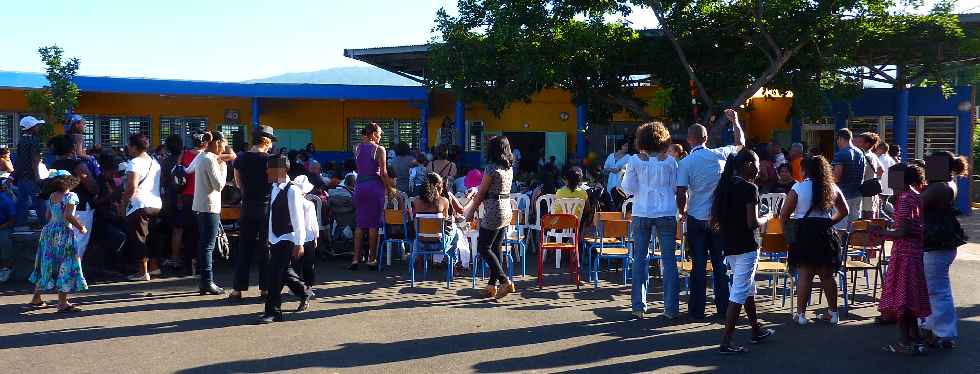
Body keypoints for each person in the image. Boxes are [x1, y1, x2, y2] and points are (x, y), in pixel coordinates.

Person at [676, 108, 744, 320]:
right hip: (717, 218)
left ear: (689, 140)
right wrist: (735, 122)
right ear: (706, 138)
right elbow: (741, 144)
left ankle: (697, 310)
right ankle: (723, 308)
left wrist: (682, 211)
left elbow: (681, 191)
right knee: (719, 265)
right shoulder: (719, 154)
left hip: (696, 217)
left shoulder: (685, 162)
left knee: (698, 265)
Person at [711, 149, 775, 354]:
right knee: (739, 291)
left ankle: (756, 329)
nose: (759, 169)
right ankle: (726, 341)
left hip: (730, 245)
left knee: (746, 288)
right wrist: (768, 217)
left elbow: (717, 220)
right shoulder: (750, 188)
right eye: (756, 164)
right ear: (748, 165)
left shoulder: (724, 186)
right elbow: (751, 222)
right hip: (747, 245)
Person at [778, 156, 848, 326]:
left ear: (804, 170)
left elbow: (784, 215)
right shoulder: (831, 187)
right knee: (827, 276)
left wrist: (788, 232)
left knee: (805, 275)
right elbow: (844, 211)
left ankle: (801, 315)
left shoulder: (798, 187)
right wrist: (828, 222)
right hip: (825, 232)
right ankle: (833, 313)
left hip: (804, 233)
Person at [621, 122, 679, 319]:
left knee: (640, 259)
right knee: (669, 260)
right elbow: (674, 188)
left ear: (642, 140)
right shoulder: (670, 162)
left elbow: (628, 189)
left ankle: (638, 306)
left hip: (642, 211)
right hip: (666, 212)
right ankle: (670, 309)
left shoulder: (634, 161)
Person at [874, 163, 930, 354]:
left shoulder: (905, 198)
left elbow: (903, 231)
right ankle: (916, 338)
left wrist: (881, 232)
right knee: (911, 296)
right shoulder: (915, 195)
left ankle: (904, 343)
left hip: (904, 254)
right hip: (914, 253)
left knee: (902, 299)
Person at [919, 152, 969, 349]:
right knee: (936, 289)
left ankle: (944, 334)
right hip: (942, 242)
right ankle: (934, 330)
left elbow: (916, 204)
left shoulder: (939, 187)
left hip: (937, 243)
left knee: (937, 291)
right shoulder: (947, 183)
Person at [259, 155, 312, 323]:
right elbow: (272, 215)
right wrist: (269, 237)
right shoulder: (274, 187)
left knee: (274, 274)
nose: (266, 171)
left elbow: (298, 219)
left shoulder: (292, 190)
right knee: (285, 272)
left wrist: (299, 243)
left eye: (269, 167)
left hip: (288, 237)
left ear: (280, 170)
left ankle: (274, 311)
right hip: (275, 237)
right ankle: (304, 291)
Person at [28, 170, 88, 312]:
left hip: (48, 232)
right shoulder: (71, 196)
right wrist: (81, 227)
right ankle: (62, 302)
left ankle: (36, 298)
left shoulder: (52, 196)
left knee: (47, 264)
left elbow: (48, 215)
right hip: (64, 233)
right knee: (66, 264)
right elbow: (68, 216)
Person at [464, 136, 517, 299]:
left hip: (494, 209)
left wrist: (471, 211)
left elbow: (481, 193)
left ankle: (504, 281)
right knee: (496, 247)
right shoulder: (509, 168)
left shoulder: (491, 168)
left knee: (483, 247)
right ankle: (491, 286)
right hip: (506, 207)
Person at [229, 126, 277, 301]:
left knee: (244, 248)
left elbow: (238, 182)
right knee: (265, 248)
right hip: (266, 208)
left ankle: (237, 289)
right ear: (266, 141)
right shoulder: (274, 160)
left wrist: (247, 193)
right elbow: (278, 186)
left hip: (247, 206)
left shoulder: (240, 158)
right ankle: (265, 289)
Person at [187, 131, 229, 295]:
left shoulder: (202, 157)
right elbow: (218, 185)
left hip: (201, 206)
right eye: (224, 144)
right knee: (208, 246)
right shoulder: (210, 159)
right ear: (217, 142)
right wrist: (223, 167)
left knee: (205, 245)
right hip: (209, 207)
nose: (224, 147)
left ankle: (205, 281)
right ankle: (207, 281)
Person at [349, 123, 395, 270]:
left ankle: (355, 259)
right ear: (374, 134)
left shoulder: (356, 148)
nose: (381, 136)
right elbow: (383, 173)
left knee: (359, 224)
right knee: (373, 225)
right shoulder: (379, 149)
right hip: (374, 187)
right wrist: (390, 188)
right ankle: (371, 259)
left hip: (360, 186)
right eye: (380, 133)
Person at [48, 135, 99, 263]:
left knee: (63, 244)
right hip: (79, 208)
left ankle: (60, 275)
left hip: (58, 208)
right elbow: (92, 186)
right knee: (78, 244)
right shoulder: (78, 165)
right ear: (73, 148)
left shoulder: (53, 166)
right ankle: (71, 277)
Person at [120, 134, 163, 282]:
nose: (128, 149)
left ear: (134, 147)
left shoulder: (134, 163)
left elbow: (131, 187)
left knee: (140, 238)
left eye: (129, 146)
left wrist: (123, 205)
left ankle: (142, 272)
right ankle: (154, 267)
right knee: (152, 237)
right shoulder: (155, 162)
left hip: (139, 205)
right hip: (156, 204)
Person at [832, 128, 865, 229]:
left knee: (839, 227)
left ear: (841, 139)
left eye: (837, 140)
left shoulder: (840, 154)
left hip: (842, 195)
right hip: (857, 193)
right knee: (853, 227)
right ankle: (848, 245)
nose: (837, 143)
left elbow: (836, 177)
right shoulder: (860, 153)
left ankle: (839, 245)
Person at [159, 135, 184, 270]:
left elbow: (161, 181)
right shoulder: (186, 159)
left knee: (176, 229)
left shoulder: (165, 162)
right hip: (187, 197)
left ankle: (175, 258)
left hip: (171, 198)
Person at [14, 116, 44, 226]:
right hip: (31, 177)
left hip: (22, 177)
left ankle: (20, 226)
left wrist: (14, 176)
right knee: (39, 203)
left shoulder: (21, 140)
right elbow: (35, 160)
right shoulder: (34, 140)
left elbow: (18, 160)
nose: (38, 127)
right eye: (36, 126)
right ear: (31, 127)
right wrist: (37, 177)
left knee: (22, 203)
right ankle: (44, 226)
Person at [856, 132, 884, 218]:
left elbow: (860, 174)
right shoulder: (873, 155)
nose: (857, 144)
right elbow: (881, 170)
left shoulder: (864, 157)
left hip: (865, 193)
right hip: (873, 191)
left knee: (866, 219)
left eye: (860, 142)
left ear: (867, 144)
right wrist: (874, 178)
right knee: (873, 217)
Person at [875, 142, 897, 215]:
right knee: (884, 204)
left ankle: (891, 221)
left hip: (882, 187)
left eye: (877, 149)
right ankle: (895, 216)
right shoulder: (891, 160)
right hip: (890, 188)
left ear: (881, 149)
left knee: (880, 208)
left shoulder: (880, 160)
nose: (876, 151)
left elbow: (879, 173)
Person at [0, 179, 15, 282]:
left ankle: (7, 268)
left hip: (4, 227)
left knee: (4, 239)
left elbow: (12, 220)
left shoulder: (6, 201)